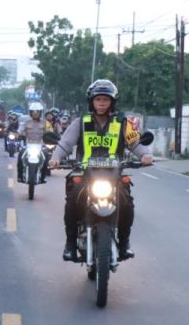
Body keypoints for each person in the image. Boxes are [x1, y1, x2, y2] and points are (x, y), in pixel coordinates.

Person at [48, 79, 153, 261]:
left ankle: (124, 243)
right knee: (72, 200)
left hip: (113, 174)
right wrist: (56, 158)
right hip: (85, 172)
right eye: (98, 99)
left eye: (106, 99)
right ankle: (70, 244)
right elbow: (66, 143)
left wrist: (146, 155)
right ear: (92, 101)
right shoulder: (81, 122)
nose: (102, 103)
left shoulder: (122, 122)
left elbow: (135, 143)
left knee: (127, 203)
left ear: (112, 102)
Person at [19, 103, 51, 182]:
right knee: (20, 155)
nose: (35, 113)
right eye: (33, 111)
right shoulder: (26, 123)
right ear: (30, 112)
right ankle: (19, 176)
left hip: (41, 145)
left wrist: (52, 138)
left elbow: (50, 132)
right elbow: (19, 131)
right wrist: (17, 135)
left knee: (47, 156)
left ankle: (43, 177)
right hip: (28, 145)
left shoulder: (46, 123)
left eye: (37, 111)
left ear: (40, 113)